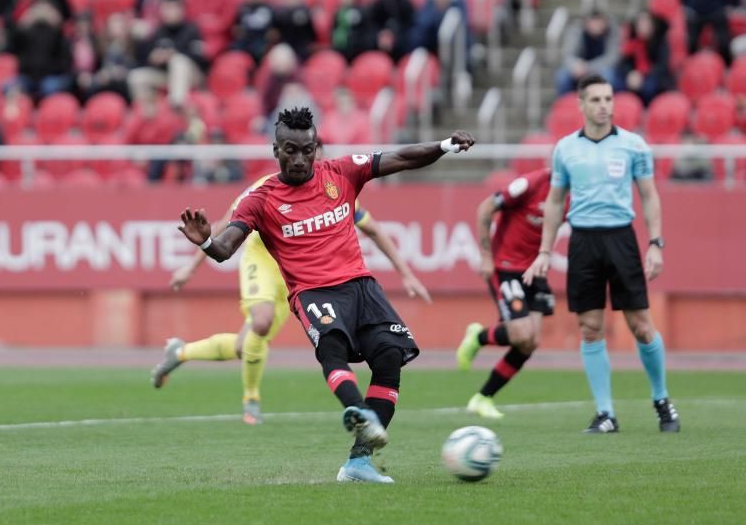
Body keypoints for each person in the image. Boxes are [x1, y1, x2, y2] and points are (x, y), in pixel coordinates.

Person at [178, 107, 473, 483]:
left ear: (316, 147)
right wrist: (204, 240)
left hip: (361, 286)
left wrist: (445, 145)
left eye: (308, 150)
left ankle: (358, 463)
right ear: (275, 151)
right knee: (331, 345)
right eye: (290, 150)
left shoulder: (341, 173)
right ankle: (357, 412)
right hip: (313, 291)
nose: (300, 159)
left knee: (390, 357)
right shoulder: (260, 199)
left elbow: (400, 157)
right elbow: (224, 249)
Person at [154, 147, 432, 425]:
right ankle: (251, 400)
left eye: (312, 155)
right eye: (298, 155)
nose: (304, 162)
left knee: (246, 345)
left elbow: (373, 230)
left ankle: (180, 352)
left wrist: (405, 273)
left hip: (299, 273)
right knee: (261, 322)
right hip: (262, 260)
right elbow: (223, 225)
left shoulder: (334, 185)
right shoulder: (264, 189)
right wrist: (190, 267)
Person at [523, 74, 680, 434]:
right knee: (590, 328)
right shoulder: (565, 149)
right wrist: (545, 250)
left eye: (608, 99)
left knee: (641, 325)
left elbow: (649, 195)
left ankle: (662, 399)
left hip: (620, 239)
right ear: (581, 105)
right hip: (583, 242)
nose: (604, 105)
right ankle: (606, 413)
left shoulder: (633, 146)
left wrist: (655, 243)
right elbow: (556, 201)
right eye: (595, 100)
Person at [455, 167, 559, 419]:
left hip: (535, 270)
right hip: (506, 266)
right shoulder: (530, 184)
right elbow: (485, 208)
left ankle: (483, 397)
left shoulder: (576, 194)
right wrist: (486, 256)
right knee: (520, 333)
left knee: (530, 342)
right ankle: (478, 336)